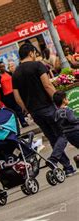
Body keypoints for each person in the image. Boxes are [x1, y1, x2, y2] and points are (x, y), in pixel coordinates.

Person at [12, 43, 76, 176]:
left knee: (52, 138)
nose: (36, 56)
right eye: (35, 53)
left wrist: (27, 109)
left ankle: (68, 168)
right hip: (48, 107)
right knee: (63, 134)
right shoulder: (38, 66)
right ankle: (54, 159)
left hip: (35, 112)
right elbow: (47, 85)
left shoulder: (16, 73)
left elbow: (17, 98)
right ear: (31, 53)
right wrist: (58, 100)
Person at [0, 61, 29, 128]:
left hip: (14, 93)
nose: (3, 68)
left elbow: (15, 81)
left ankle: (23, 122)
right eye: (1, 67)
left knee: (18, 108)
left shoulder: (9, 73)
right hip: (6, 97)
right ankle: (18, 125)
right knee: (13, 111)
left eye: (3, 66)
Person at [53, 91, 79, 168]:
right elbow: (72, 120)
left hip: (67, 134)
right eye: (66, 98)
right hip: (76, 132)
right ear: (64, 100)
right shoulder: (68, 110)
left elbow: (57, 121)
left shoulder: (57, 112)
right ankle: (78, 158)